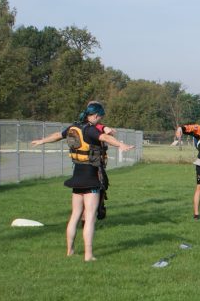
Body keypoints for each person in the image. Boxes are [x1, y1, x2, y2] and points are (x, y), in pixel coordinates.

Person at [30, 101, 134, 261]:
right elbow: (105, 137)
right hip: (91, 177)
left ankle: (70, 251)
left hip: (77, 176)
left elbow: (58, 135)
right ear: (95, 115)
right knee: (90, 216)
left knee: (75, 215)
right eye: (99, 118)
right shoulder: (90, 130)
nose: (99, 121)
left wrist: (42, 141)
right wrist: (121, 144)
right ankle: (88, 255)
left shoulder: (73, 127)